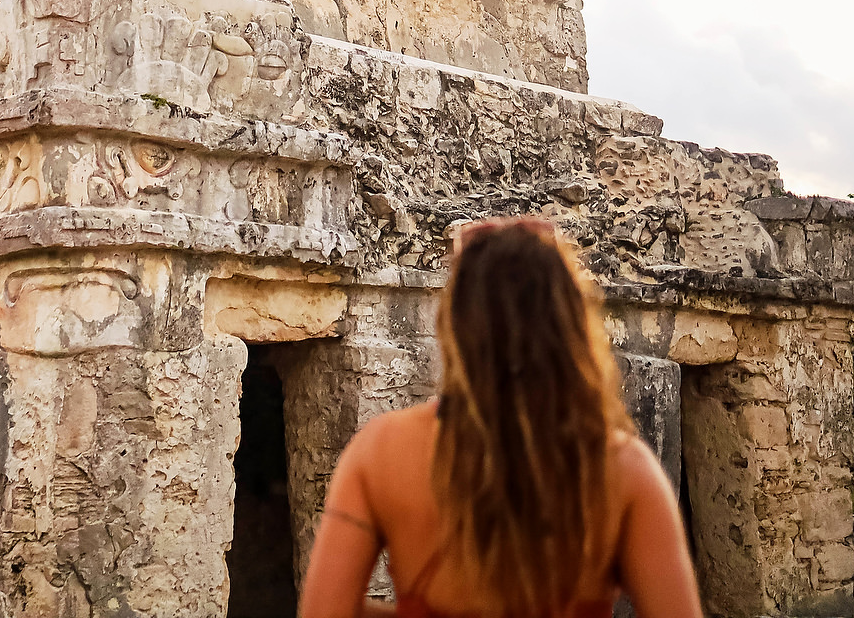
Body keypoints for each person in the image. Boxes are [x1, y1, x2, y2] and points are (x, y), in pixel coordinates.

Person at [298, 219, 701, 618]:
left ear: (453, 322)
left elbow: (324, 611)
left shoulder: (382, 452)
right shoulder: (623, 469)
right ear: (572, 325)